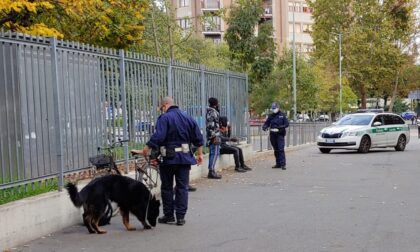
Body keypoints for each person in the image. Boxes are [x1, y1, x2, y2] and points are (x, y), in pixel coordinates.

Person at [143, 97, 204, 226]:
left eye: (162, 108)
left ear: (165, 105)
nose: (162, 110)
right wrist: (200, 154)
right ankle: (180, 217)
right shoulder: (188, 117)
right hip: (184, 158)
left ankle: (169, 215)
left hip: (168, 159)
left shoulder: (164, 118)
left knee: (167, 188)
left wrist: (147, 147)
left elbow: (159, 136)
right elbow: (198, 137)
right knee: (182, 187)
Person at [262, 102, 289, 170]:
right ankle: (278, 164)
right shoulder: (271, 116)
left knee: (281, 149)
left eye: (275, 108)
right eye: (273, 108)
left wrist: (281, 127)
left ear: (278, 108)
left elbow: (287, 124)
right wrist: (264, 127)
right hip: (272, 134)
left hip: (280, 134)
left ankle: (283, 164)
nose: (274, 109)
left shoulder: (282, 115)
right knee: (276, 149)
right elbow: (266, 123)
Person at [206, 97, 222, 179]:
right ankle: (211, 171)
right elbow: (211, 125)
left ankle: (211, 170)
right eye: (218, 102)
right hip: (215, 135)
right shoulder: (213, 112)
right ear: (215, 103)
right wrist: (214, 136)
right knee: (215, 153)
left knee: (212, 153)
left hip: (212, 135)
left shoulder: (210, 111)